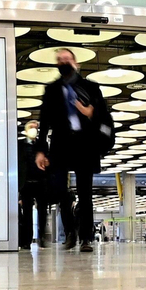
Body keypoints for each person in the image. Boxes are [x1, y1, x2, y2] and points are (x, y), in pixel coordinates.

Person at [34, 48, 115, 252]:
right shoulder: (51, 90)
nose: (64, 62)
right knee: (60, 190)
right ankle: (70, 232)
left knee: (85, 193)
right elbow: (44, 122)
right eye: (60, 60)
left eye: (67, 59)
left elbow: (104, 115)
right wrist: (41, 150)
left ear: (76, 63)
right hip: (61, 145)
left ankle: (86, 238)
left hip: (85, 145)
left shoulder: (91, 87)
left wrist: (90, 112)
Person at [17, 118, 49, 249]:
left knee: (42, 210)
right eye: (32, 127)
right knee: (27, 213)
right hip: (26, 183)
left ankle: (42, 236)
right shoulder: (19, 145)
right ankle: (26, 240)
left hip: (41, 182)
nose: (34, 130)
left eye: (36, 127)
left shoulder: (42, 145)